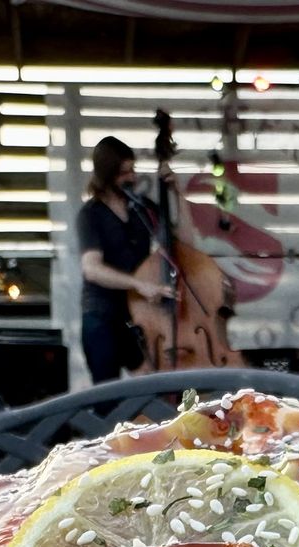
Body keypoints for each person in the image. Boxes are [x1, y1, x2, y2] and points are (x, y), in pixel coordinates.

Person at [75, 136, 176, 384]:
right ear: (106, 175)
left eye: (132, 170)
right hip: (102, 315)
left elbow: (183, 243)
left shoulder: (142, 209)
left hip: (138, 317)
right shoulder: (91, 215)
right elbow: (92, 269)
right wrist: (138, 284)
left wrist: (177, 193)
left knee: (148, 391)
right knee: (107, 397)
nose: (131, 178)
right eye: (123, 173)